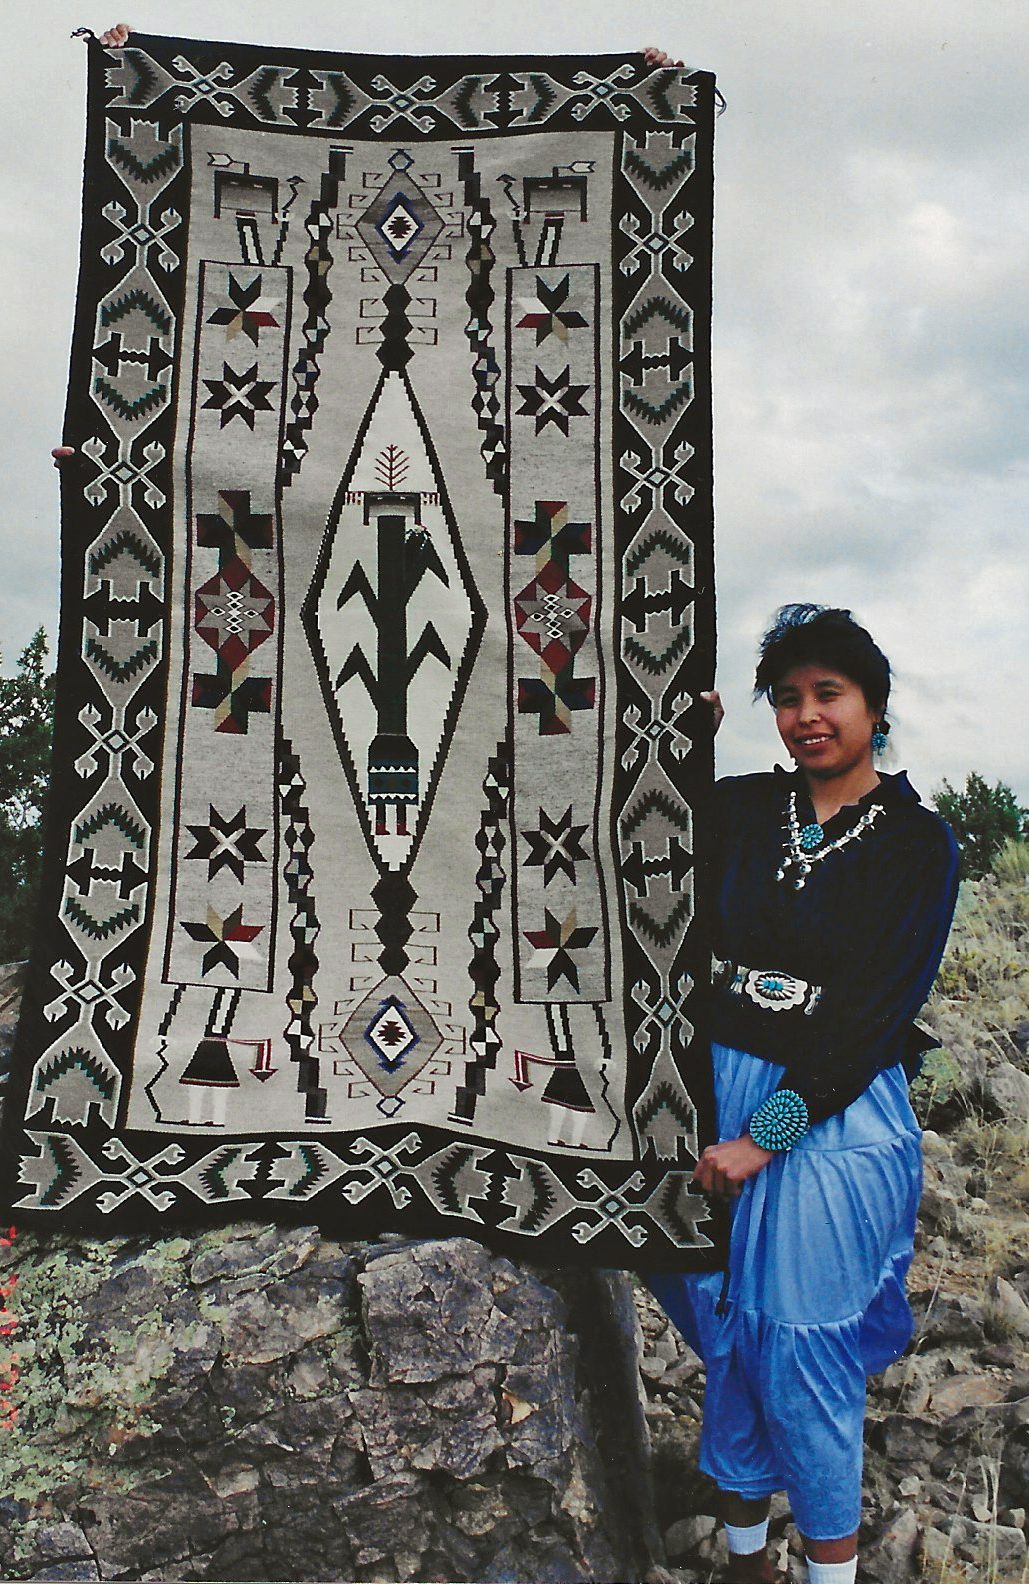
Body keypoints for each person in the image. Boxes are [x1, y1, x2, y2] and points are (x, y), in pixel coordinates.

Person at [648, 604, 959, 1584]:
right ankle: (747, 1563)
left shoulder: (917, 845)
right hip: (717, 1088)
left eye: (829, 693)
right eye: (786, 698)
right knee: (728, 1333)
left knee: (799, 1352)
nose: (806, 716)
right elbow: (637, 848)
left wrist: (764, 1135)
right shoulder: (742, 809)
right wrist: (677, 743)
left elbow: (868, 1021)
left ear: (874, 705)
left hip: (831, 1113)